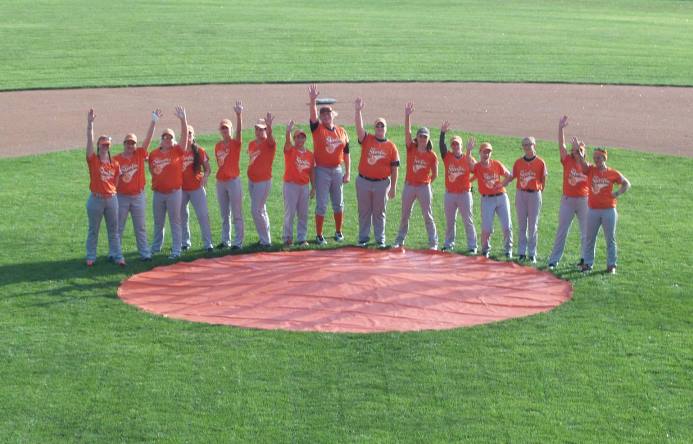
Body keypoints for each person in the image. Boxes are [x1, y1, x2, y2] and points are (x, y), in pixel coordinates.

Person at [113, 109, 161, 262]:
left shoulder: (140, 154)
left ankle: (145, 253)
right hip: (121, 197)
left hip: (138, 196)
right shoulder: (116, 159)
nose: (130, 146)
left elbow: (147, 139)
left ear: (135, 145)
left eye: (132, 143)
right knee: (118, 227)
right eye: (128, 143)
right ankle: (115, 253)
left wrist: (154, 121)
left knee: (140, 227)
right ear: (124, 144)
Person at [354, 97, 400, 248]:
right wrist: (358, 111)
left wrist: (393, 187)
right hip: (364, 181)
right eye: (377, 125)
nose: (380, 127)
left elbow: (395, 168)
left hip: (381, 183)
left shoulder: (391, 146)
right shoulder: (368, 139)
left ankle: (380, 239)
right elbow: (359, 130)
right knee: (364, 211)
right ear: (374, 128)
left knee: (380, 212)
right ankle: (363, 238)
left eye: (382, 125)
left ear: (386, 128)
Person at [307, 84, 351, 244]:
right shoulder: (318, 129)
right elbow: (312, 116)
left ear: (333, 115)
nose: (326, 116)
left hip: (337, 170)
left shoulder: (342, 131)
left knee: (338, 203)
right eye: (323, 114)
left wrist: (348, 172)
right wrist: (312, 101)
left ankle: (339, 232)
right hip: (322, 171)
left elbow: (347, 153)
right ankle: (319, 235)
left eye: (328, 113)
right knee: (322, 204)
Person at [578, 147, 631, 274]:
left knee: (610, 239)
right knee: (590, 238)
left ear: (604, 158)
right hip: (593, 210)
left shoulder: (612, 173)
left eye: (599, 158)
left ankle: (611, 265)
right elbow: (584, 166)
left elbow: (627, 184)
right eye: (595, 158)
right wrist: (580, 155)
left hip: (609, 210)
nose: (596, 160)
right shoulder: (590, 170)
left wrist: (617, 193)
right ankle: (588, 263)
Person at [393, 102, 438, 249]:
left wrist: (426, 184)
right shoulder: (411, 148)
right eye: (420, 136)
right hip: (409, 187)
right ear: (417, 138)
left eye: (425, 137)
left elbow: (435, 174)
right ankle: (400, 240)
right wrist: (407, 116)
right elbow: (407, 132)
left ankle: (433, 242)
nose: (422, 139)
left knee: (428, 216)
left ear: (428, 139)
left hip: (423, 188)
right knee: (405, 215)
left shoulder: (432, 156)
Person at [548, 116, 589, 270]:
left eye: (578, 151)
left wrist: (579, 150)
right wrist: (560, 129)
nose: (575, 153)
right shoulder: (568, 161)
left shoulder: (587, 166)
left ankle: (585, 259)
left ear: (584, 152)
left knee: (586, 232)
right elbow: (561, 146)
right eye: (573, 151)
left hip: (584, 201)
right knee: (562, 230)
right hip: (568, 200)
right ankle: (554, 259)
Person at [84, 108, 124, 267]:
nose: (105, 147)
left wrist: (112, 191)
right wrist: (90, 125)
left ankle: (118, 256)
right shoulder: (93, 160)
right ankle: (91, 257)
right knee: (94, 230)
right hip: (96, 199)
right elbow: (88, 142)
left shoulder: (115, 163)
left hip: (111, 199)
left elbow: (117, 180)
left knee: (114, 231)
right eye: (102, 145)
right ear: (98, 146)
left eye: (107, 145)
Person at [148, 106, 189, 260]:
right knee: (158, 222)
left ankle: (176, 250)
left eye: (170, 137)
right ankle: (156, 247)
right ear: (161, 139)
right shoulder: (153, 154)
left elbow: (185, 137)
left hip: (174, 193)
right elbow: (152, 170)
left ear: (173, 140)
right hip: (158, 193)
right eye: (165, 137)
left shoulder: (177, 151)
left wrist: (183, 120)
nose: (167, 139)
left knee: (175, 221)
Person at [502, 136, 547, 263]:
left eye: (529, 144)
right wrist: (501, 184)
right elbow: (512, 176)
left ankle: (532, 253)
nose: (527, 147)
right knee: (522, 225)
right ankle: (522, 252)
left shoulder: (540, 162)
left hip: (534, 194)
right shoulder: (518, 162)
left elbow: (544, 179)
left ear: (534, 145)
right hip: (521, 194)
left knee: (533, 225)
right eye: (525, 145)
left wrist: (538, 191)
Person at [439, 121, 477, 253]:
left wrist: (469, 182)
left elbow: (477, 171)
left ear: (461, 146)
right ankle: (449, 244)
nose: (455, 146)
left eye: (457, 144)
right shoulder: (447, 157)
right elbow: (441, 147)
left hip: (464, 194)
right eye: (453, 144)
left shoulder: (468, 158)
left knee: (468, 220)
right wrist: (442, 133)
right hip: (450, 194)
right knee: (450, 221)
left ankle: (472, 246)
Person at [471, 141, 513, 258]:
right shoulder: (477, 167)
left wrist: (502, 184)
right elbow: (468, 163)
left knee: (507, 226)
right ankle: (485, 249)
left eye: (488, 152)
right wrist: (469, 150)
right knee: (487, 228)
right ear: (480, 153)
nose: (486, 154)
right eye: (484, 152)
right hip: (487, 199)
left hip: (501, 198)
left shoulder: (496, 164)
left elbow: (509, 176)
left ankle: (508, 250)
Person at [214, 101, 244, 250]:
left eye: (227, 128)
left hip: (233, 181)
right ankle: (226, 241)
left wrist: (239, 115)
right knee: (224, 214)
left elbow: (239, 133)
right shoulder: (217, 146)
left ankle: (238, 242)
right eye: (223, 129)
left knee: (237, 212)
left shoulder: (235, 143)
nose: (225, 131)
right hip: (221, 182)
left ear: (230, 130)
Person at [180, 124, 214, 252]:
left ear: (193, 136)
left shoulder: (199, 151)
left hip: (197, 188)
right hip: (182, 189)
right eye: (185, 133)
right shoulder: (178, 150)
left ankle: (208, 244)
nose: (187, 135)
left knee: (203, 215)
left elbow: (208, 169)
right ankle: (185, 243)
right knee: (182, 216)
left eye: (190, 133)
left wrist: (205, 176)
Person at [282, 120, 315, 246]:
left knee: (303, 213)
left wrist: (313, 187)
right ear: (294, 139)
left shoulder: (310, 155)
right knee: (290, 212)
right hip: (290, 185)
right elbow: (287, 143)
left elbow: (311, 171)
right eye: (297, 137)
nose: (300, 139)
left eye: (302, 137)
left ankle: (302, 238)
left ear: (305, 139)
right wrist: (288, 132)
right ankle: (287, 238)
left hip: (304, 186)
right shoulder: (290, 151)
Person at [247, 113, 276, 247]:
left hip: (263, 181)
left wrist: (269, 126)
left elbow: (270, 138)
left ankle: (266, 241)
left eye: (262, 129)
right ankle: (264, 238)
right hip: (252, 181)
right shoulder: (252, 144)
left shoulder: (269, 143)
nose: (259, 131)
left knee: (256, 210)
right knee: (261, 209)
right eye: (257, 129)